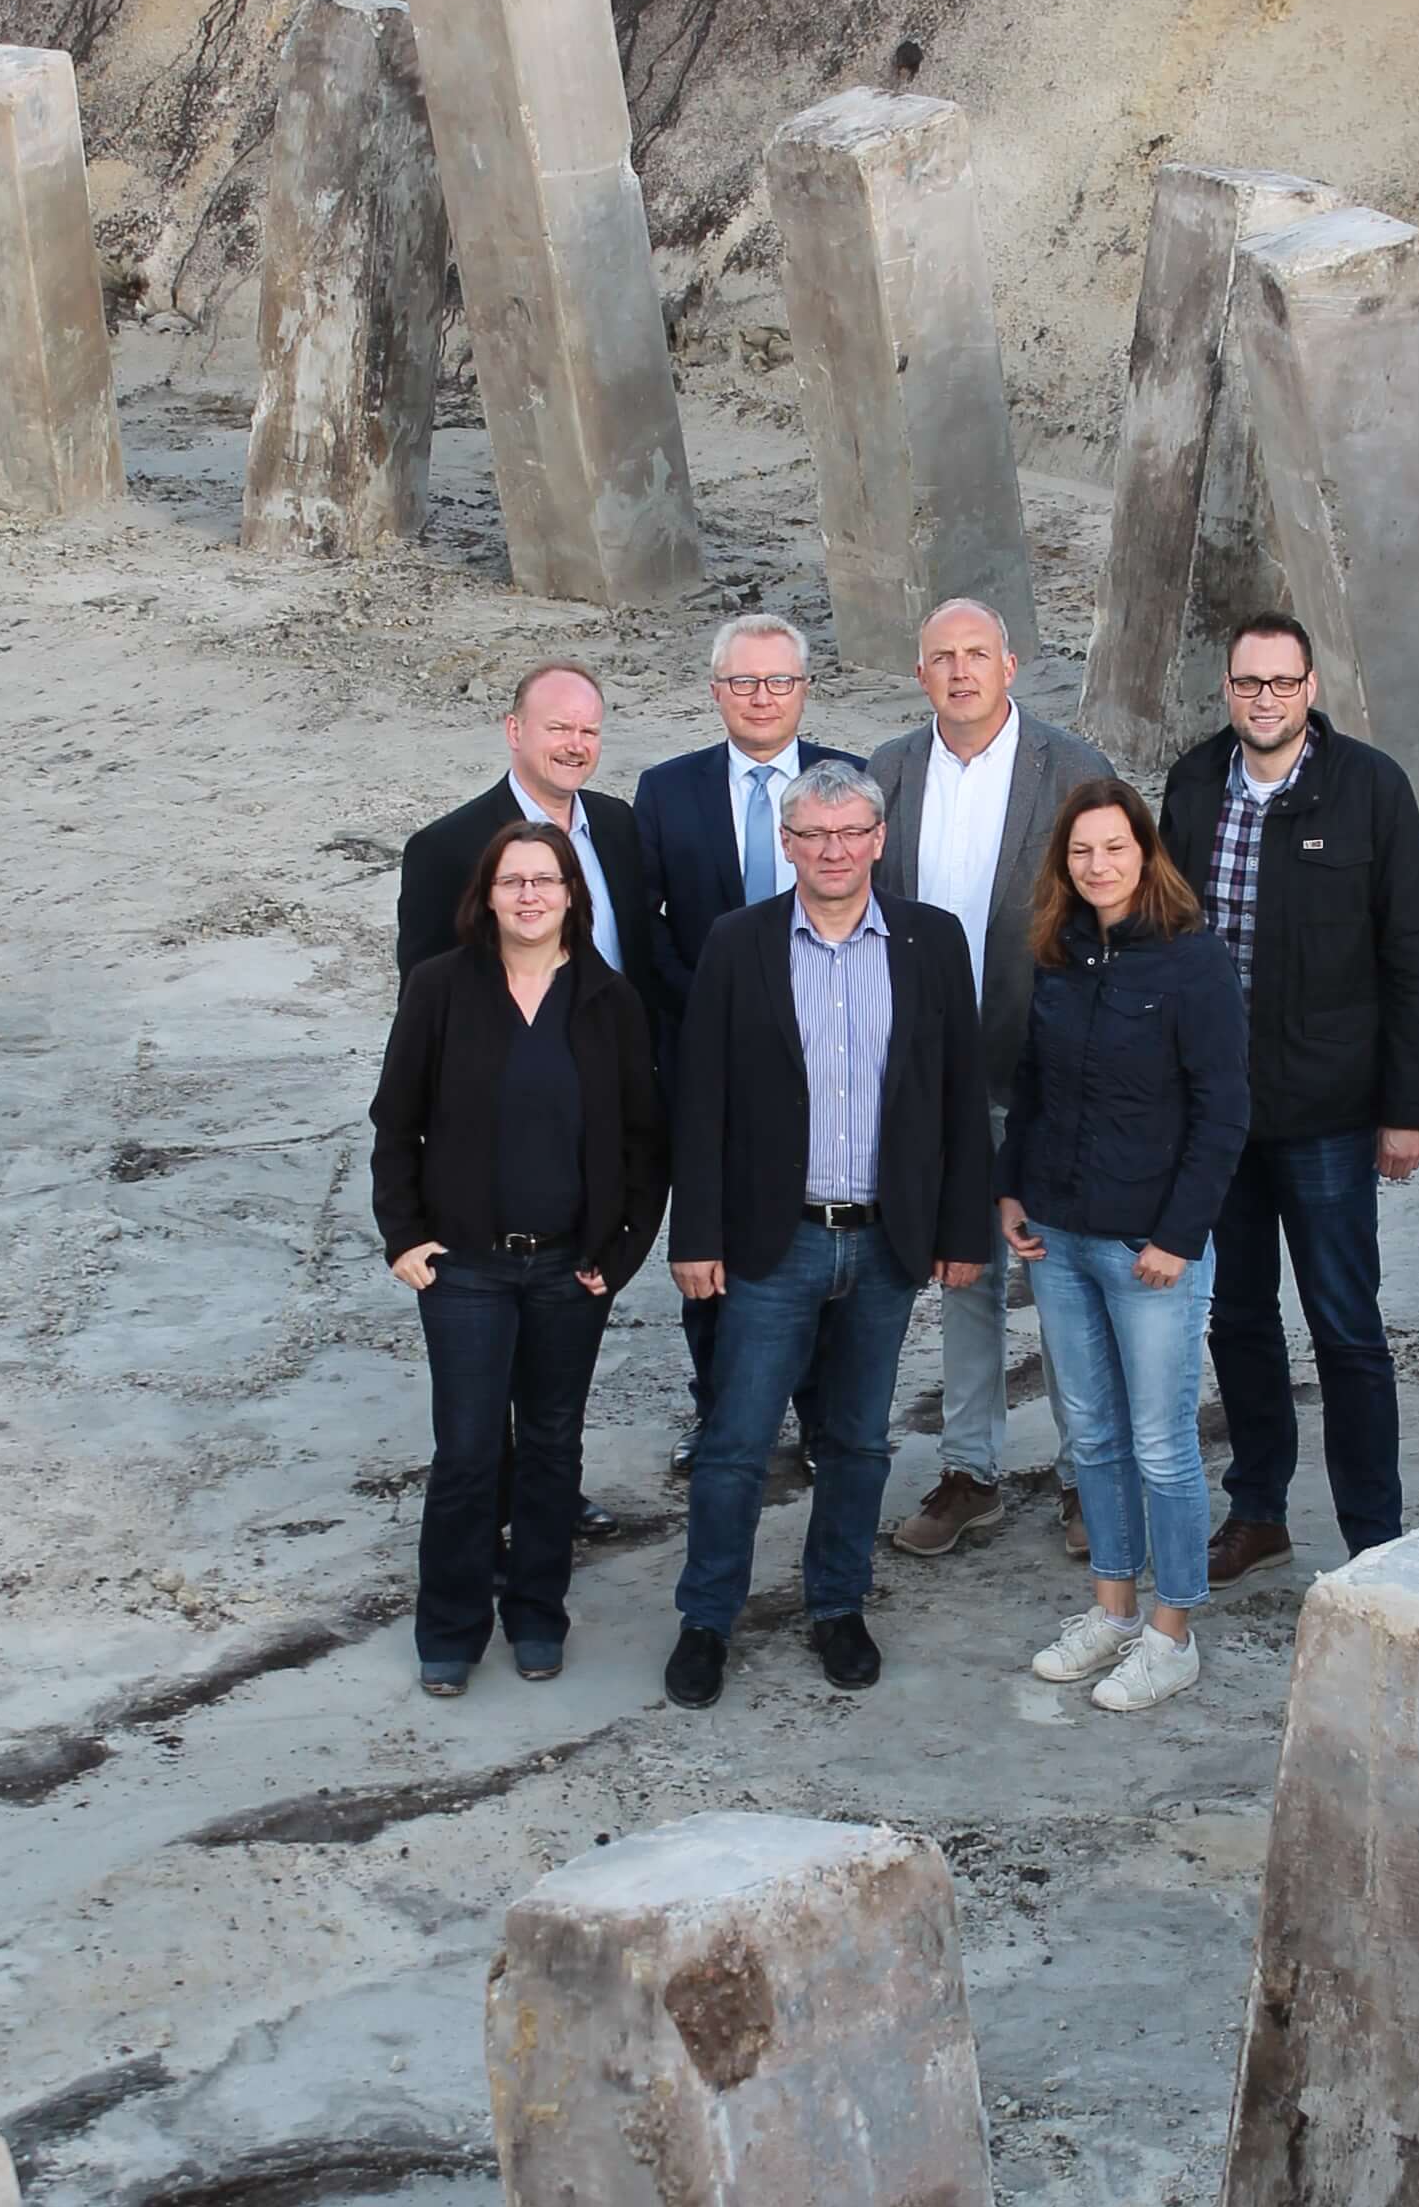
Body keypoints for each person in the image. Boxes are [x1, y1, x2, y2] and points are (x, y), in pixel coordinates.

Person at [662, 764, 994, 1707]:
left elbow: (960, 1096)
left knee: (858, 1442)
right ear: (788, 843)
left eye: (850, 833)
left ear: (879, 839)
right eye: (813, 834)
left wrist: (962, 1227)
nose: (833, 851)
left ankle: (838, 1605)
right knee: (736, 1443)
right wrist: (695, 1235)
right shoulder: (739, 942)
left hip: (886, 1243)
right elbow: (701, 1098)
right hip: (775, 1242)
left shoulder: (933, 940)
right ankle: (706, 1620)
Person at [1158, 609, 1419, 1574]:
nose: (1265, 698)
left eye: (1283, 682)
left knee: (1345, 1327)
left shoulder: (1370, 788)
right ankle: (1260, 1511)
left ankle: (1374, 1538)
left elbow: (1413, 955)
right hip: (1217, 1116)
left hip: (1328, 1113)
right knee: (1237, 1320)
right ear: (1227, 689)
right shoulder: (1194, 784)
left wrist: (1408, 1109)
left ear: (1311, 688)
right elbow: (1163, 939)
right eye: (1249, 682)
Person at [369, 823, 665, 1696]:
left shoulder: (609, 1000)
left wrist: (621, 1253)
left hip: (571, 1271)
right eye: (513, 881)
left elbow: (645, 1142)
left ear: (572, 895)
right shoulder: (439, 988)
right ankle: (451, 1628)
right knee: (466, 1452)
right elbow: (396, 1122)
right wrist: (404, 1236)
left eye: (546, 880)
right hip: (462, 1268)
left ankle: (537, 1614)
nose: (529, 896)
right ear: (488, 896)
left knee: (550, 1447)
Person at [999, 780, 1248, 1713]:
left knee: (1162, 1443)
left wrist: (1179, 1237)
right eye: (1080, 852)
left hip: (1150, 1249)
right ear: (1063, 865)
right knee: (1093, 1435)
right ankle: (1112, 1610)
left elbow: (1224, 1110)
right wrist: (1013, 1188)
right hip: (1059, 1238)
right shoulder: (1059, 953)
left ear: (1145, 853)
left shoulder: (1193, 961)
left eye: (1114, 848)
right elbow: (1033, 1084)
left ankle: (1171, 1633)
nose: (1097, 866)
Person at [396, 659, 658, 1541]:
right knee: (481, 1381)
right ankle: (495, 1506)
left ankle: (544, 1499)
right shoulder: (446, 848)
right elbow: (423, 1015)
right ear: (515, 732)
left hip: (599, 1116)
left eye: (589, 730)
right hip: (495, 1136)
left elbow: (638, 958)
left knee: (560, 1353)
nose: (575, 744)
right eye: (557, 728)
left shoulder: (618, 826)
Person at [868, 601, 1108, 1563]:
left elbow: (1112, 913)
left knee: (1060, 1278)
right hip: (932, 1074)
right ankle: (971, 1472)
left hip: (1046, 1069)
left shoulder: (1074, 769)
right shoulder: (887, 772)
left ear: (1011, 665)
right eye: (943, 657)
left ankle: (1087, 1477)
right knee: (962, 1272)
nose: (961, 671)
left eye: (978, 654)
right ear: (919, 673)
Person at [631, 613, 859, 1476]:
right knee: (714, 1243)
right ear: (716, 692)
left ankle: (823, 1421)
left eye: (779, 682)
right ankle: (721, 1414)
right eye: (743, 682)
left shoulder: (853, 780)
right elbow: (648, 922)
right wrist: (712, 1008)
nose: (762, 698)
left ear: (804, 689)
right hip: (709, 1056)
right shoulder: (667, 789)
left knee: (827, 1236)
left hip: (833, 1058)